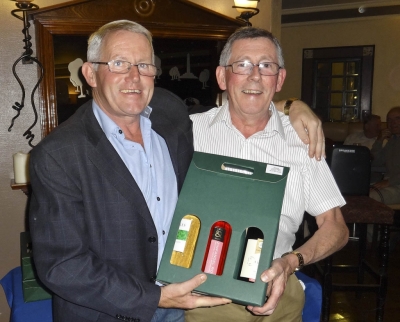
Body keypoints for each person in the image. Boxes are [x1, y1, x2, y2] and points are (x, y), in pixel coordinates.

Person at [29, 20, 326, 322]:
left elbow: (244, 102)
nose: (134, 77)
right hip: (111, 313)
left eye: (144, 65)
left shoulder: (170, 114)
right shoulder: (59, 155)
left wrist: (291, 105)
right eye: (119, 63)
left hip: (182, 307)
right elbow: (62, 266)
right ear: (90, 73)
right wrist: (155, 297)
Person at [186, 27, 349, 322]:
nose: (255, 76)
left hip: (280, 289)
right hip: (206, 293)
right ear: (222, 76)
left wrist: (291, 262)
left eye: (266, 66)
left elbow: (335, 227)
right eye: (243, 65)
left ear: (280, 79)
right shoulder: (188, 133)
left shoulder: (301, 140)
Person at [369, 106, 400, 205]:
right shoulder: (392, 141)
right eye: (389, 120)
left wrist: (389, 182)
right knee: (354, 191)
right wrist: (379, 140)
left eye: (397, 118)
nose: (392, 123)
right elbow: (375, 162)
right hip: (389, 183)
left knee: (369, 197)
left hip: (395, 185)